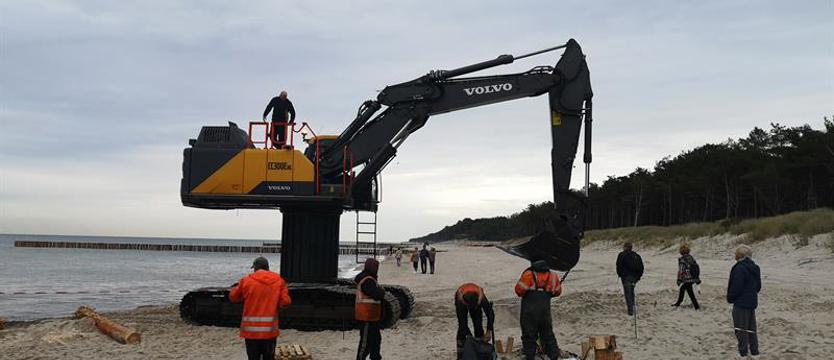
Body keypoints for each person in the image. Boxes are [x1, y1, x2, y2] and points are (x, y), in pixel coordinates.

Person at [229, 256, 292, 360]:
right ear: (267, 267)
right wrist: (277, 304)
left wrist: (243, 296)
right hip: (269, 332)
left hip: (251, 332)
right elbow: (286, 301)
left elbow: (233, 297)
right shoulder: (279, 280)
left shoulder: (246, 280)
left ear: (255, 268)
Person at [514, 260, 562, 360]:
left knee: (529, 335)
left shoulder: (528, 275)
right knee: (548, 334)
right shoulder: (553, 276)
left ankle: (530, 356)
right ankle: (554, 356)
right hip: (545, 311)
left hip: (529, 312)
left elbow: (519, 291)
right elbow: (557, 292)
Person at [727, 245, 761, 358]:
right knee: (751, 328)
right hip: (751, 302)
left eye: (736, 253)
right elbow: (758, 287)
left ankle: (743, 352)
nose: (734, 255)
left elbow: (736, 286)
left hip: (741, 302)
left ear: (741, 255)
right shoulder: (755, 267)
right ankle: (754, 351)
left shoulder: (739, 268)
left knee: (740, 328)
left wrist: (730, 298)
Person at [454, 283, 495, 360]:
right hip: (462, 301)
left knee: (478, 325)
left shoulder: (481, 298)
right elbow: (462, 323)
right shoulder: (460, 299)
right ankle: (461, 354)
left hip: (476, 302)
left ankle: (480, 351)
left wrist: (489, 330)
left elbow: (490, 314)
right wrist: (470, 338)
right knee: (462, 329)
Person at [355, 258, 386, 360]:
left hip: (372, 316)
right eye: (376, 267)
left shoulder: (369, 279)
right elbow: (377, 294)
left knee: (376, 340)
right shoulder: (367, 280)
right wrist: (381, 291)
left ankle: (375, 357)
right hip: (366, 316)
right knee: (366, 342)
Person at [616, 242, 644, 316]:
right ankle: (633, 308)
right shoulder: (636, 255)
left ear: (625, 247)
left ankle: (630, 311)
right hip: (634, 277)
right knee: (631, 292)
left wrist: (620, 274)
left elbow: (618, 265)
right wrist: (638, 277)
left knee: (628, 293)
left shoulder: (621, 255)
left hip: (626, 277)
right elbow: (641, 267)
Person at [672, 243, 701, 309]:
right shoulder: (691, 258)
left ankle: (679, 303)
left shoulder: (682, 259)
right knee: (687, 291)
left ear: (681, 252)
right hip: (693, 277)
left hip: (687, 278)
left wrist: (679, 280)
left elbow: (681, 271)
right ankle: (695, 306)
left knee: (685, 290)